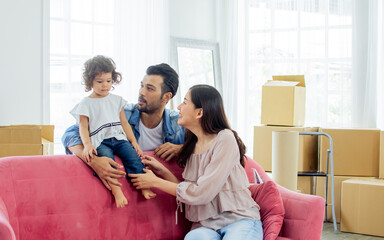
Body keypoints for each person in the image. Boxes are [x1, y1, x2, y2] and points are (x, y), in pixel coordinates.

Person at [129, 85, 263, 239]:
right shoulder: (191, 146)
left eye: (185, 102)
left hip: (238, 219)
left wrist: (154, 182)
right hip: (205, 226)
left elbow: (202, 193)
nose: (179, 107)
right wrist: (163, 171)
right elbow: (191, 191)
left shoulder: (225, 138)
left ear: (199, 112)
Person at [62, 62, 185, 191]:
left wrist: (182, 148)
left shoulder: (178, 123)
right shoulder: (121, 113)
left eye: (149, 88)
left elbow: (206, 145)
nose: (141, 92)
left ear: (166, 96)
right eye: (141, 86)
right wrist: (93, 162)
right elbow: (70, 134)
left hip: (162, 196)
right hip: (126, 191)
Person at [70, 55, 155, 207]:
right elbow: (83, 127)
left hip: (119, 138)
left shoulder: (117, 100)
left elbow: (124, 123)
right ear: (90, 82)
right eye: (100, 81)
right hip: (100, 141)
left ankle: (144, 186)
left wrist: (133, 141)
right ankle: (116, 191)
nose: (105, 85)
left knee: (133, 158)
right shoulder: (85, 103)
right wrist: (88, 145)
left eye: (109, 81)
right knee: (108, 164)